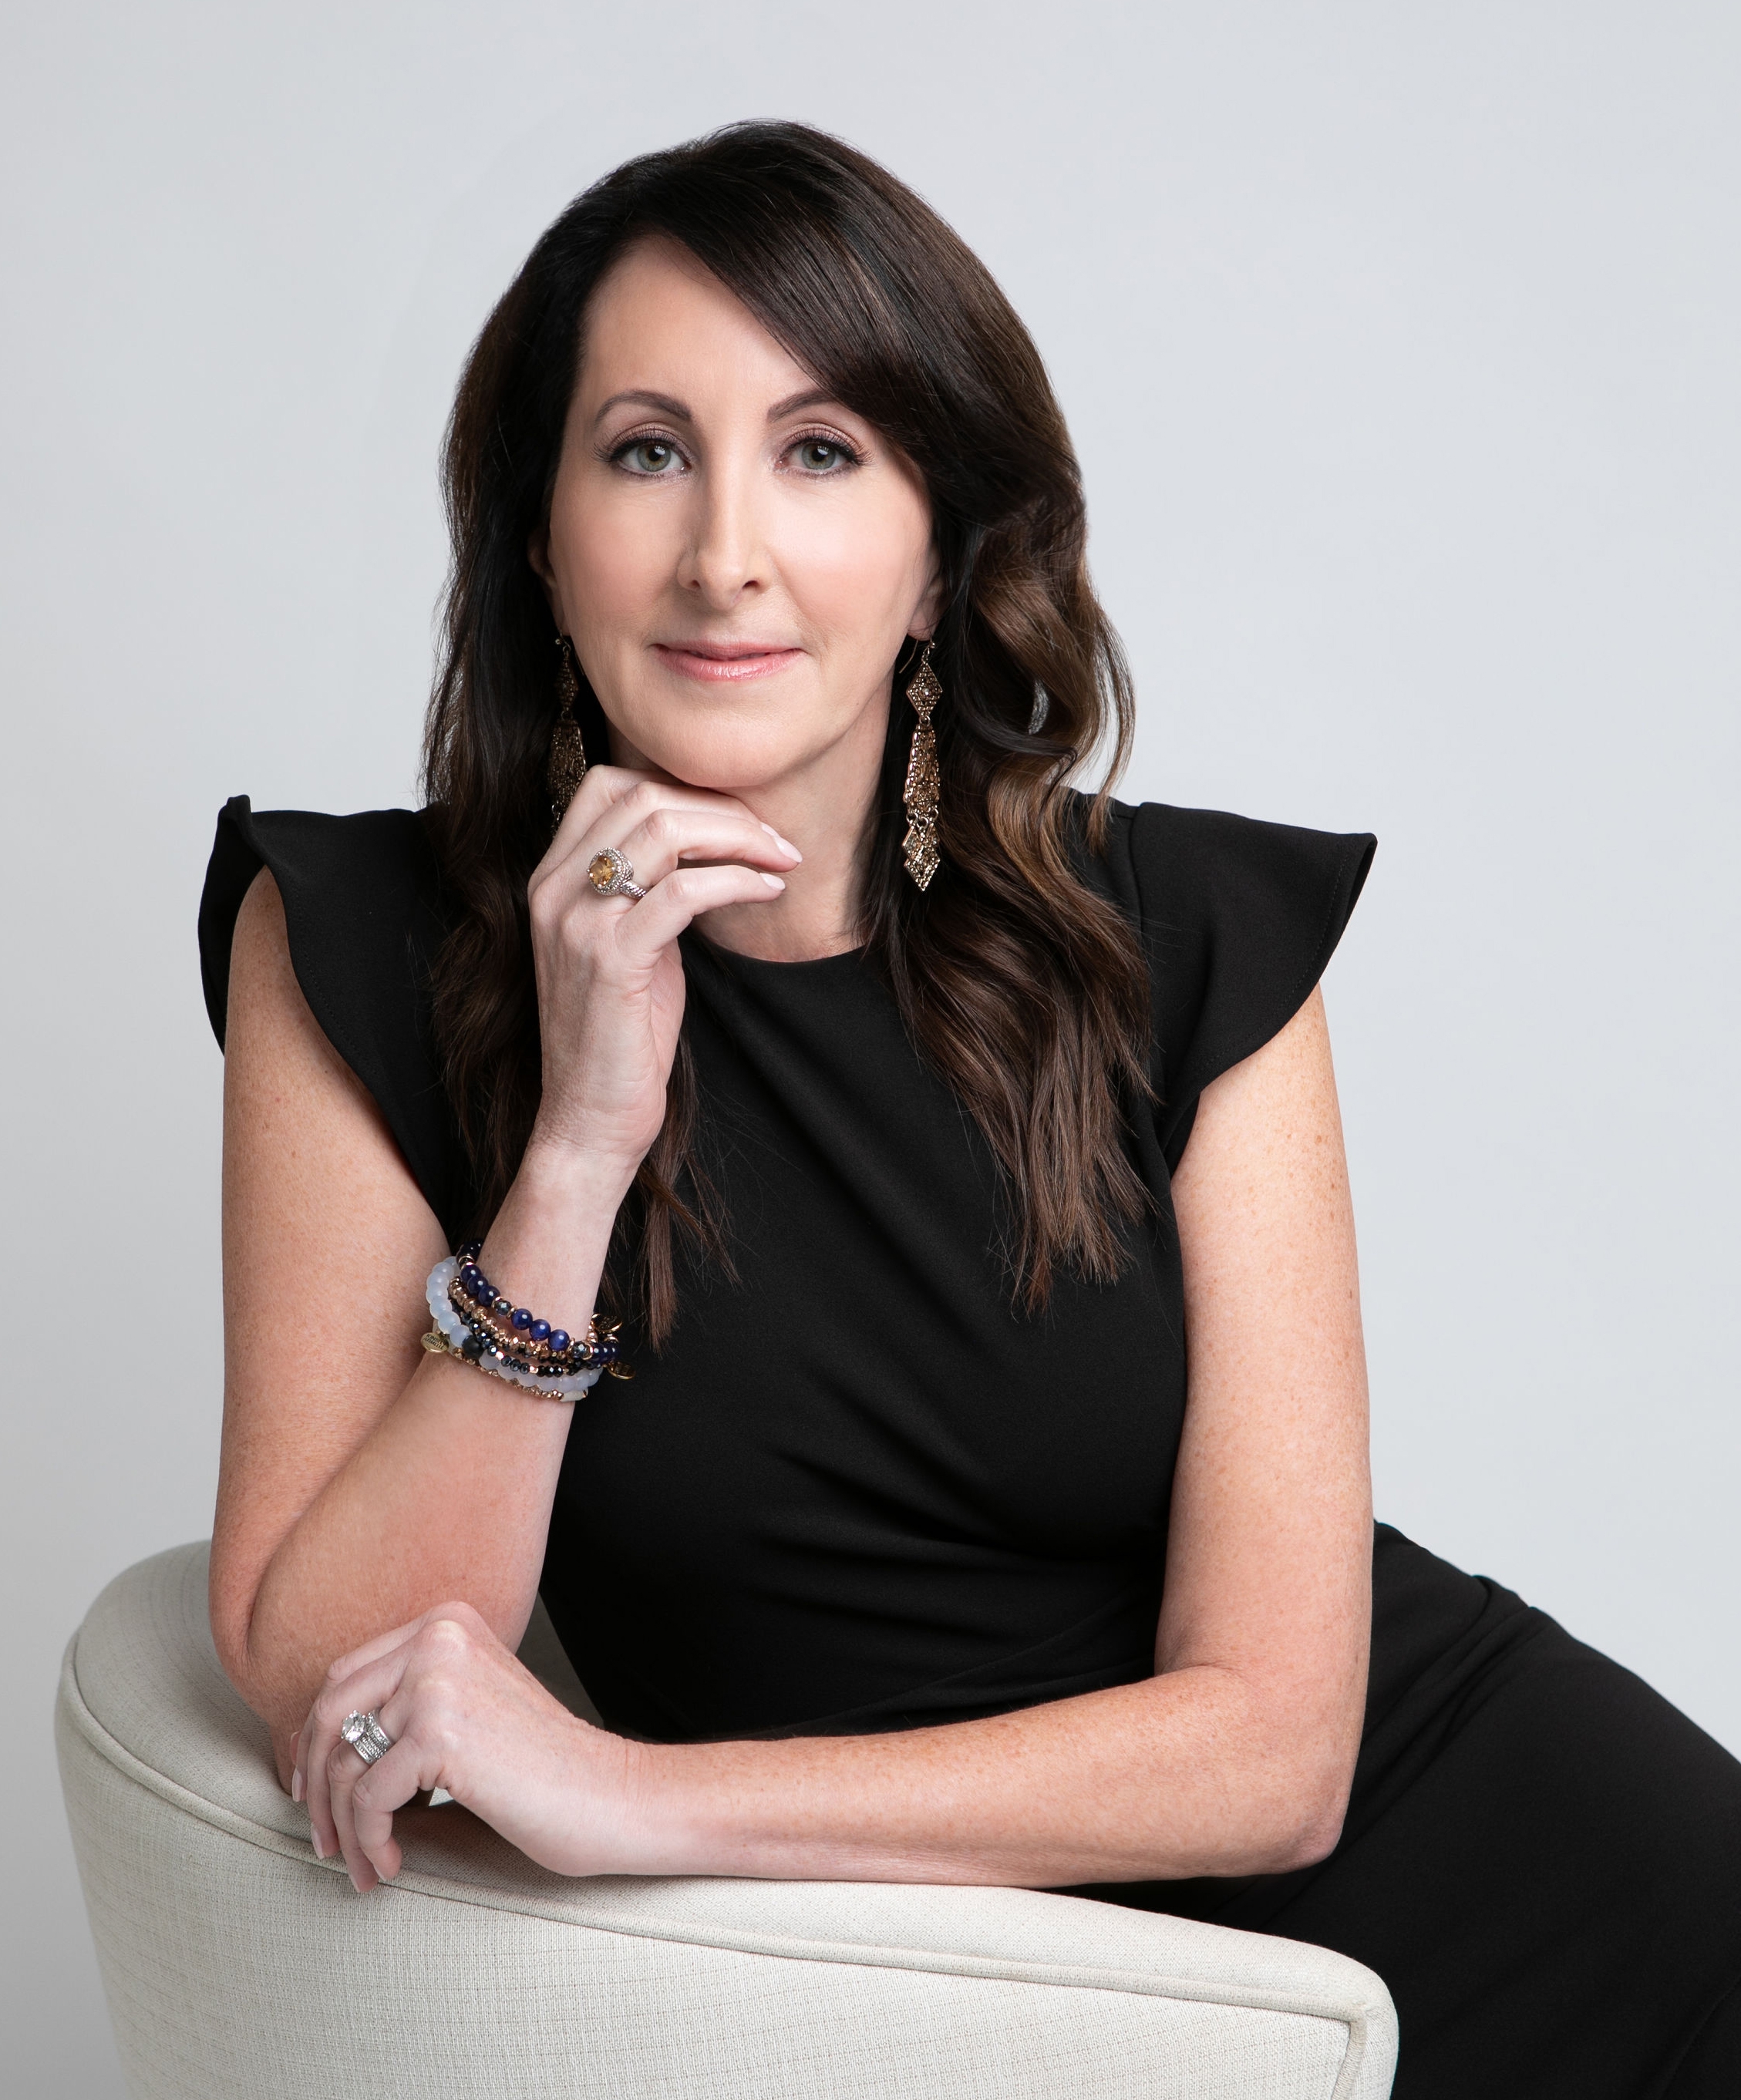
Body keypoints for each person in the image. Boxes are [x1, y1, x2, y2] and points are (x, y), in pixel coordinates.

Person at [197, 121, 1739, 2097]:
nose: (725, 554)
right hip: (989, 2020)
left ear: (938, 560)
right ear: (536, 536)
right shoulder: (357, 943)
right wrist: (575, 1150)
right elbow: (322, 1678)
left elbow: (1276, 1754)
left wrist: (633, 1799)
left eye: (822, 453)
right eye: (646, 450)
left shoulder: (1178, 941)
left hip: (1534, 1903)